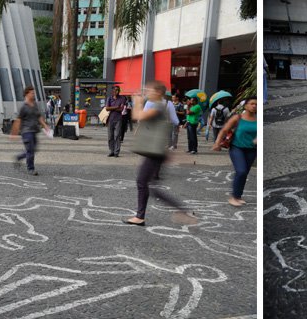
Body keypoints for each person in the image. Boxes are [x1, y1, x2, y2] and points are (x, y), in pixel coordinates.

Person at [123, 80, 195, 227]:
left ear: (158, 93)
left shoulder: (158, 107)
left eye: (149, 90)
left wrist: (136, 102)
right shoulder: (159, 106)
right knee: (149, 184)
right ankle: (141, 215)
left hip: (155, 151)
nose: (146, 92)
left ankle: (141, 216)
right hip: (155, 150)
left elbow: (137, 116)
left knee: (143, 182)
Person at [212, 98, 257, 207]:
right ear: (245, 106)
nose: (254, 106)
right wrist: (217, 143)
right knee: (241, 171)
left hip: (252, 149)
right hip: (237, 148)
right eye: (252, 104)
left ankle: (238, 196)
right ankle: (233, 197)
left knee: (244, 173)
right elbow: (224, 130)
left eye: (256, 104)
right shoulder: (237, 118)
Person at [11, 86, 49, 176]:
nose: (34, 94)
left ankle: (19, 157)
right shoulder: (23, 107)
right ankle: (30, 169)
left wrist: (45, 126)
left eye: (34, 93)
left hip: (34, 130)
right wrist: (14, 133)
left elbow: (39, 116)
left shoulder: (35, 104)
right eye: (32, 93)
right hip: (26, 131)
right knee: (30, 150)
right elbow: (18, 120)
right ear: (27, 94)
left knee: (33, 149)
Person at [105, 86, 127, 157]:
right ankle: (111, 151)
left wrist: (112, 108)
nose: (116, 92)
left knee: (117, 136)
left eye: (117, 90)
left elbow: (121, 109)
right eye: (115, 90)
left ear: (119, 91)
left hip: (118, 119)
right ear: (112, 91)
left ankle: (116, 152)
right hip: (110, 119)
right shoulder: (109, 98)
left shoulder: (122, 98)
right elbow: (107, 108)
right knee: (110, 136)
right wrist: (116, 107)